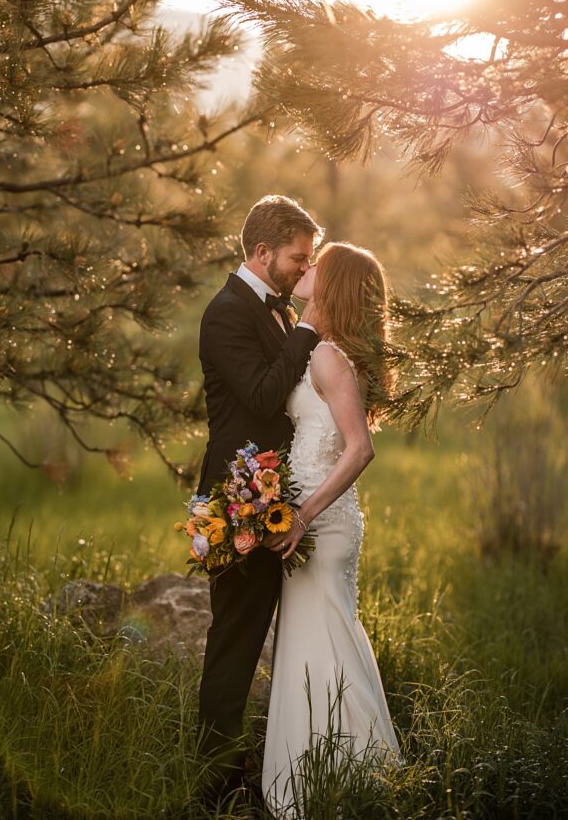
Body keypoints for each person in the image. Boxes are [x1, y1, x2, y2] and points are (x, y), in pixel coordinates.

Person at [261, 241, 402, 819]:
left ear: (333, 281)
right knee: (313, 647)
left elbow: (359, 449)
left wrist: (303, 514)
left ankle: (358, 777)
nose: (306, 266)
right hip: (317, 524)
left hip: (323, 525)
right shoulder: (325, 351)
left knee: (326, 644)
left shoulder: (328, 358)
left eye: (317, 262)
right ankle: (323, 780)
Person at [196, 194, 324, 803]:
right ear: (261, 251)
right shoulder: (225, 313)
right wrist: (308, 328)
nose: (305, 268)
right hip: (236, 502)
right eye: (298, 258)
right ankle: (214, 782)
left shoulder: (275, 309)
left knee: (264, 639)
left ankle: (264, 766)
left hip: (277, 498)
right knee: (235, 643)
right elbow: (263, 395)